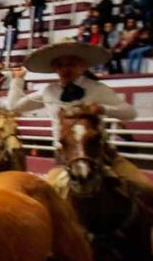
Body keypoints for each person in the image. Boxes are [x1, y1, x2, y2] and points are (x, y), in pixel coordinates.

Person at [8, 41, 151, 193]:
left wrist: (102, 108)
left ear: (82, 66)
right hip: (64, 158)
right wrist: (17, 80)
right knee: (49, 200)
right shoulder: (48, 91)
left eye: (71, 64)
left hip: (101, 155)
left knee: (145, 187)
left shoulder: (97, 89)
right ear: (55, 69)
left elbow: (130, 113)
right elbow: (14, 106)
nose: (65, 69)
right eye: (60, 65)